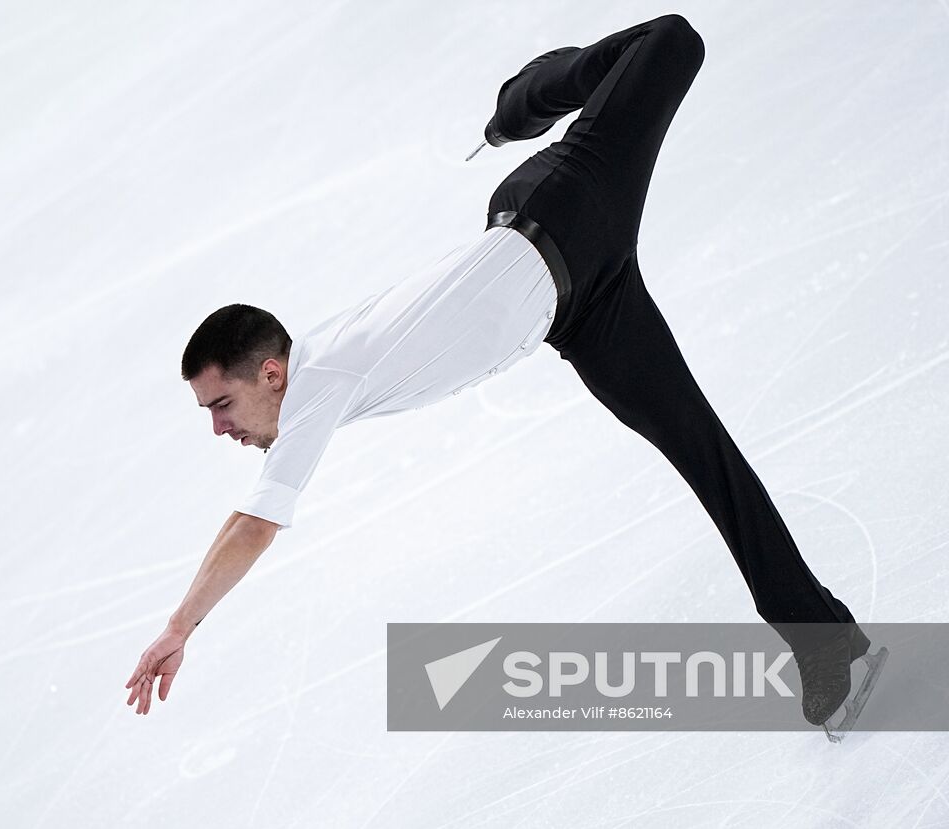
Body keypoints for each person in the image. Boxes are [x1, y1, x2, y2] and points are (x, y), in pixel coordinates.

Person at [126, 13, 874, 729]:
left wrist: (177, 626)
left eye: (221, 403)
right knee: (705, 454)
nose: (220, 426)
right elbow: (245, 513)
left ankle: (524, 96)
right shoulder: (311, 380)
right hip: (581, 312)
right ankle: (826, 642)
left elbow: (254, 524)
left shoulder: (316, 386)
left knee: (669, 45)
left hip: (568, 208)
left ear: (270, 373)